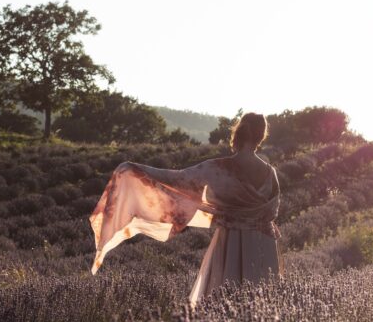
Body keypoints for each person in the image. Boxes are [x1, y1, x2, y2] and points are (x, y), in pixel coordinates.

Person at [89, 112, 282, 305]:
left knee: (225, 303)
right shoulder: (270, 173)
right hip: (262, 243)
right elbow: (272, 213)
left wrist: (136, 169)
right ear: (261, 135)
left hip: (232, 242)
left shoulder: (218, 168)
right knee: (262, 304)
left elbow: (177, 179)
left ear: (239, 132)